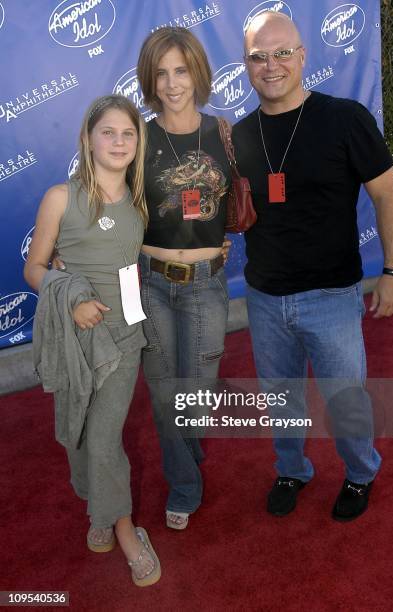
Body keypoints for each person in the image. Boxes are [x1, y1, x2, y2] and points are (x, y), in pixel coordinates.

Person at [231, 12, 393, 521]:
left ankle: (359, 474)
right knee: (281, 400)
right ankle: (292, 468)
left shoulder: (345, 118)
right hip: (264, 298)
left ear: (303, 56)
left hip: (331, 295)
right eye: (259, 56)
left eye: (282, 52)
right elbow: (224, 212)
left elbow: (387, 196)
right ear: (245, 64)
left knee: (346, 399)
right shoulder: (238, 136)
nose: (271, 65)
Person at [24, 95, 161, 586]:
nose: (119, 141)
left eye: (128, 133)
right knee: (78, 435)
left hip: (124, 340)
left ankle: (124, 527)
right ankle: (99, 510)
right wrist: (71, 294)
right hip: (73, 339)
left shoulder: (140, 199)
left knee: (104, 438)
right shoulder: (61, 197)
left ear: (137, 142)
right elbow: (34, 267)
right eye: (109, 132)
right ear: (88, 138)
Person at [136, 27, 231, 530]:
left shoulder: (225, 131)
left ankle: (187, 449)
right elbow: (103, 197)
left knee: (197, 392)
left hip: (206, 283)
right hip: (149, 282)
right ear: (150, 80)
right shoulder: (139, 135)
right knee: (162, 392)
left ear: (197, 72)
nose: (173, 84)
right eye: (162, 73)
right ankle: (184, 484)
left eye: (181, 70)